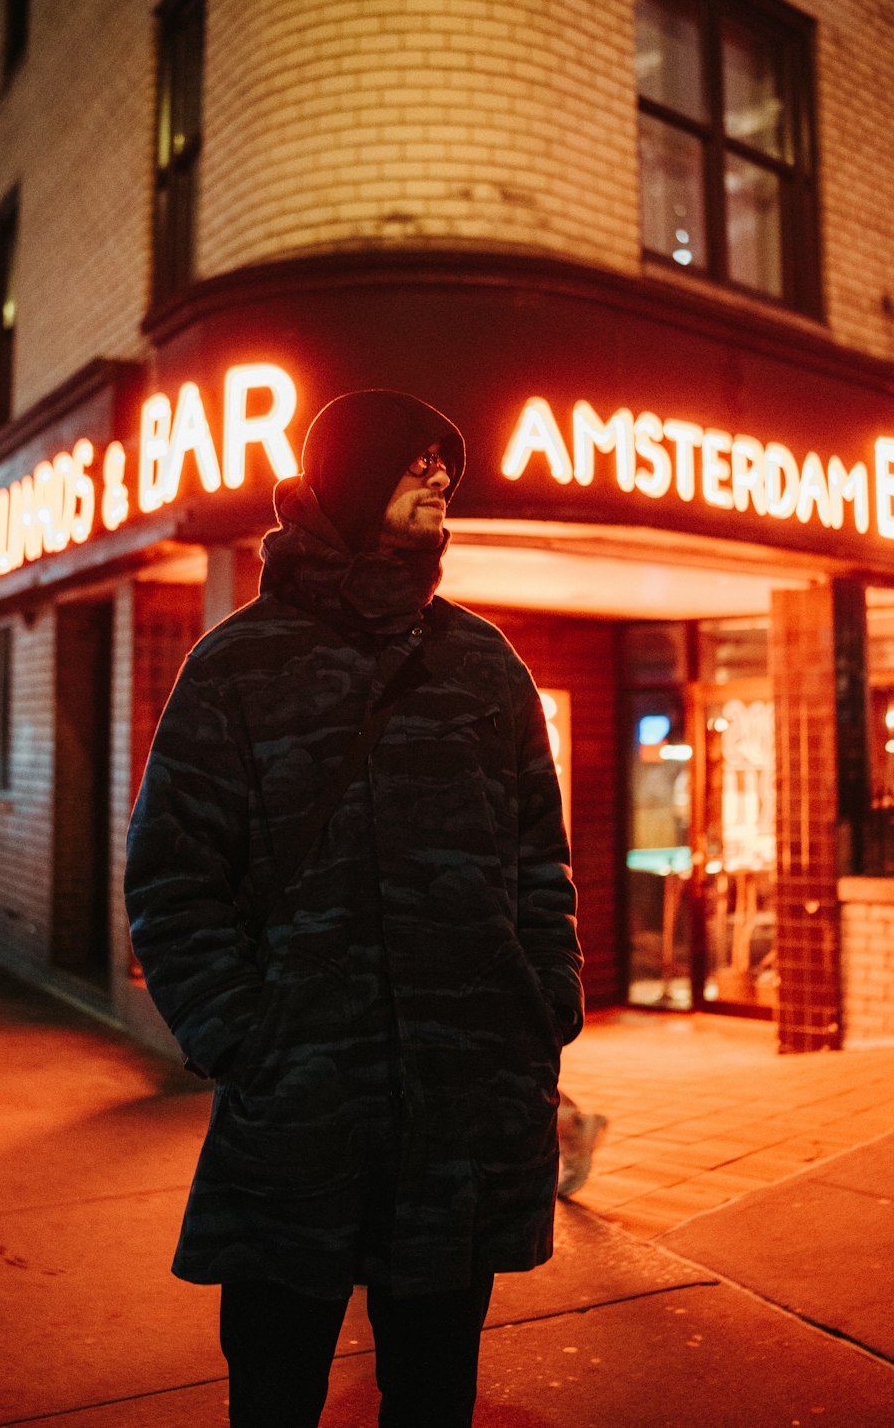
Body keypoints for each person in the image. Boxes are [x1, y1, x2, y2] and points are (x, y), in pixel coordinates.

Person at [125, 389, 584, 1428]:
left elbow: (537, 860)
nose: (437, 479)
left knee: (432, 1390)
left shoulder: (483, 663)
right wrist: (248, 1039)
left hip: (460, 1106)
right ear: (348, 476)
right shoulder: (238, 664)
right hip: (303, 1110)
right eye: (414, 459)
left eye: (444, 466)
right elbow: (171, 876)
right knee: (276, 1384)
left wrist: (541, 1002)